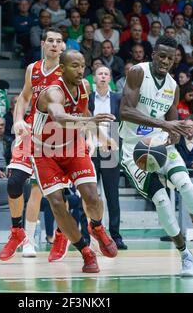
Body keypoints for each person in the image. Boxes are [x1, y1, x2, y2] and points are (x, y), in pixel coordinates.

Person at [119, 36, 193, 277]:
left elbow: (172, 125)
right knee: (163, 201)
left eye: (170, 57)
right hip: (134, 150)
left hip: (160, 144)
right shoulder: (137, 72)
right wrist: (164, 123)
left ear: (175, 59)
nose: (165, 61)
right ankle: (185, 254)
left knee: (186, 184)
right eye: (161, 56)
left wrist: (175, 134)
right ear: (153, 54)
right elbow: (124, 111)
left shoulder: (173, 87)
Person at [31, 49, 118, 273]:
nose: (80, 71)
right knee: (58, 204)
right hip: (45, 153)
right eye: (74, 66)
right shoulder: (53, 93)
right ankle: (85, 252)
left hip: (73, 147)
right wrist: (90, 119)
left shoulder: (85, 87)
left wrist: (103, 137)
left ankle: (96, 227)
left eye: (82, 65)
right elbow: (59, 118)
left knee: (92, 196)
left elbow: (84, 112)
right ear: (61, 68)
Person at [0, 28, 63, 260]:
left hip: (54, 136)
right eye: (51, 41)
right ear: (43, 44)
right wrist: (17, 120)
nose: (54, 44)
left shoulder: (67, 72)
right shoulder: (32, 69)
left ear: (62, 47)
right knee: (14, 181)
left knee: (40, 191)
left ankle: (32, 240)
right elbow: (25, 97)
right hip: (30, 130)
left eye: (58, 41)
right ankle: (17, 232)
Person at [88, 65, 126, 250]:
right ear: (94, 78)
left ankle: (116, 236)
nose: (103, 76)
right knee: (89, 195)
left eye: (106, 74)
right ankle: (89, 236)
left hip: (110, 149)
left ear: (110, 78)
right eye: (99, 74)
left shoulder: (118, 98)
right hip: (90, 149)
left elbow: (123, 123)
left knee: (112, 195)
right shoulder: (88, 99)